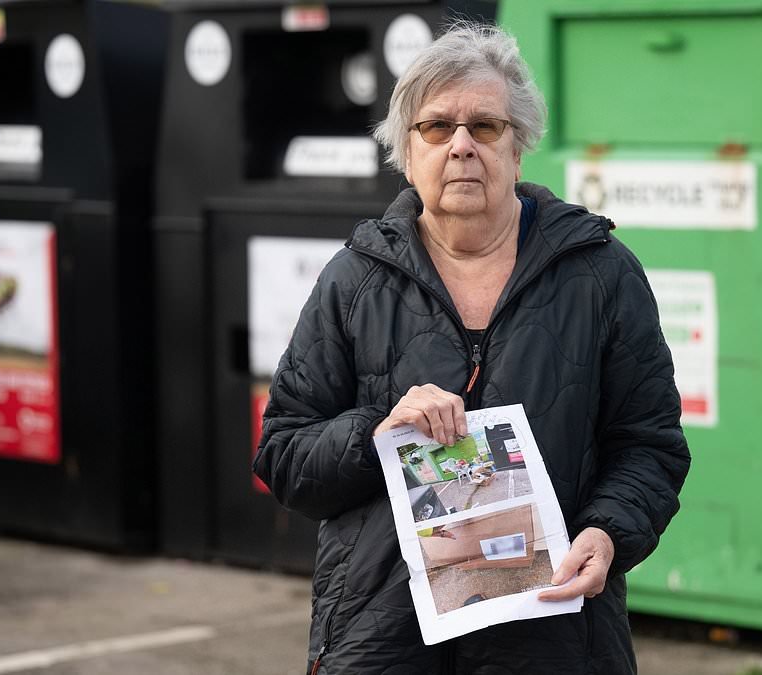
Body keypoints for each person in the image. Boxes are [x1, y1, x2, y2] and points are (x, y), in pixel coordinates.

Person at [255, 22, 690, 675]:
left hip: (555, 640)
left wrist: (606, 532)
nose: (460, 146)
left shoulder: (601, 275)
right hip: (382, 646)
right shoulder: (355, 279)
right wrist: (378, 432)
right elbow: (283, 453)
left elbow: (649, 446)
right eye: (436, 128)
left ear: (519, 149)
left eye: (484, 127)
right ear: (407, 151)